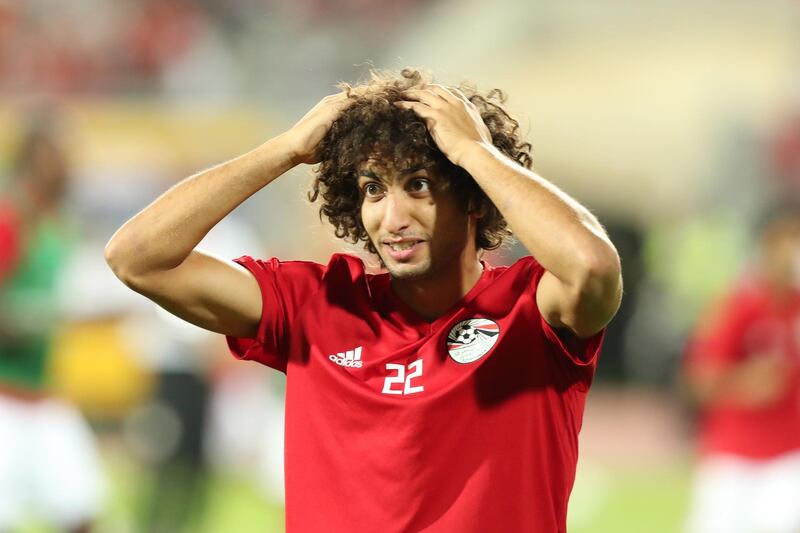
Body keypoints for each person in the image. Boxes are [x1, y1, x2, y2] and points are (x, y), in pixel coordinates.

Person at [105, 68, 622, 532]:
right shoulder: (316, 303)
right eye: (373, 188)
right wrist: (285, 149)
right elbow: (136, 257)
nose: (391, 218)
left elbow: (593, 265)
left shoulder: (530, 309)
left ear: (473, 198)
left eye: (419, 184)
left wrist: (473, 151)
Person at [0, 120, 105, 533]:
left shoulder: (58, 224)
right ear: (31, 159)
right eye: (55, 153)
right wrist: (32, 320)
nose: (66, 163)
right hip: (5, 396)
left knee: (81, 511)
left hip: (44, 396)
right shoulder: (12, 219)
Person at [683, 205, 800, 533]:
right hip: (734, 454)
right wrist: (743, 382)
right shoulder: (738, 305)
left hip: (790, 455)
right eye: (787, 238)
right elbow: (697, 380)